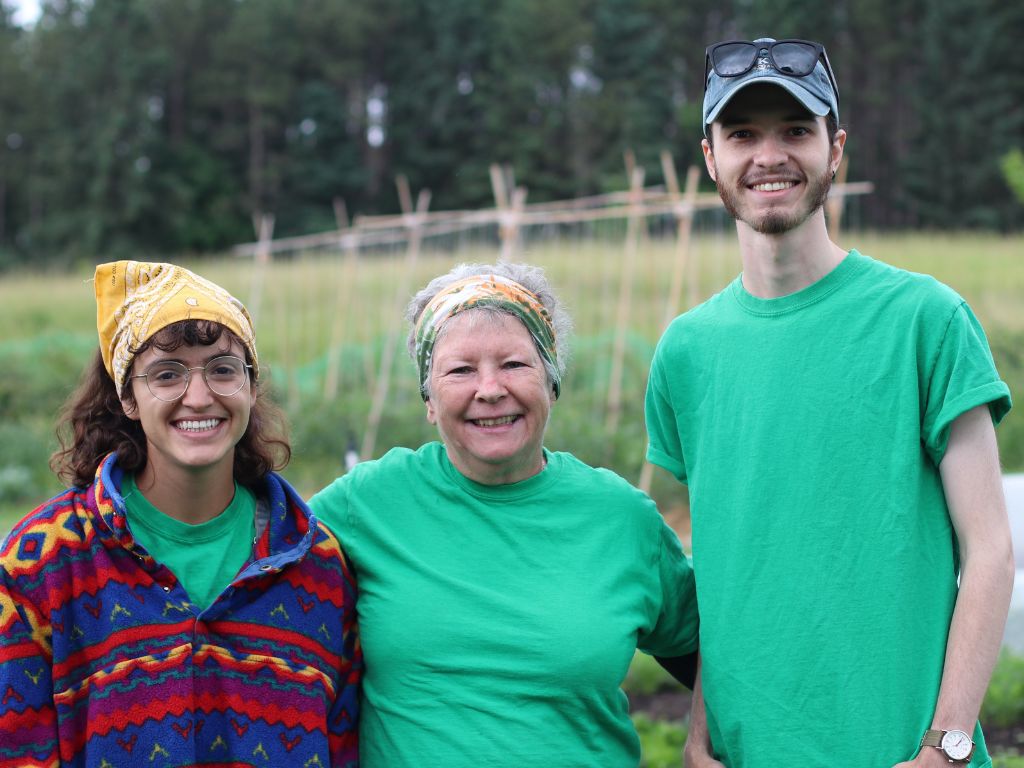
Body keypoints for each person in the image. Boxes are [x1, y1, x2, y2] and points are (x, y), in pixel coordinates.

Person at [644, 37, 1015, 767]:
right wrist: (698, 730)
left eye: (796, 131)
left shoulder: (923, 320)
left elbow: (992, 552)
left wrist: (946, 746)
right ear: (710, 158)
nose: (769, 156)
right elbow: (728, 565)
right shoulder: (686, 352)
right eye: (742, 134)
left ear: (835, 148)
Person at [309, 262, 698, 767]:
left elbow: (712, 655)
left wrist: (703, 741)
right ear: (429, 399)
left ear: (551, 381)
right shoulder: (364, 505)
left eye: (514, 364)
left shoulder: (621, 518)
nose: (489, 389)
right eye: (460, 370)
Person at [0, 261, 361, 766]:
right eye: (166, 374)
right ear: (127, 395)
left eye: (222, 369)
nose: (198, 396)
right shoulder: (43, 564)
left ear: (252, 387)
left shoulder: (315, 563)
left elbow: (344, 749)